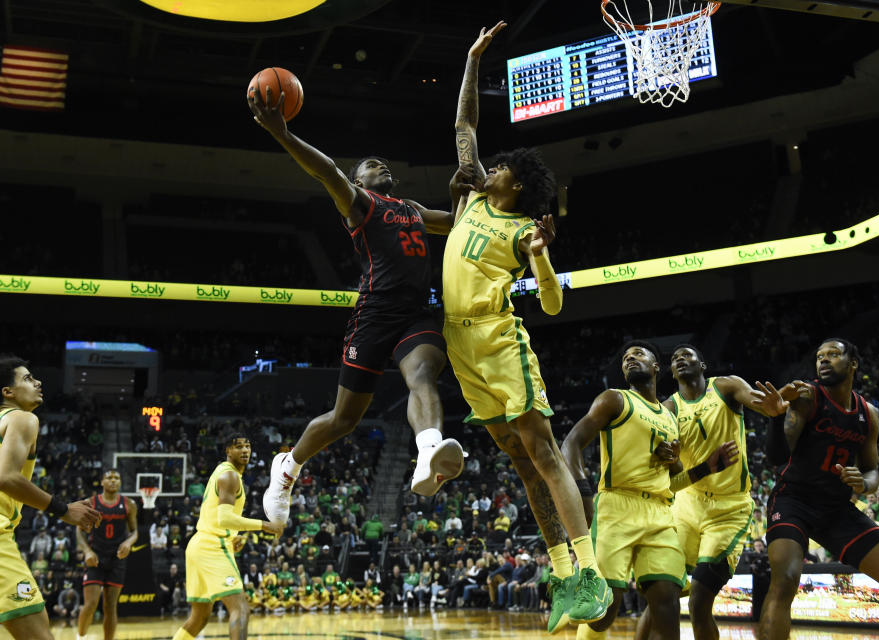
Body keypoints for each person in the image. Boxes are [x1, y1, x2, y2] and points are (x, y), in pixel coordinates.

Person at [425, 21, 611, 632]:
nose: (492, 167)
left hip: (498, 340)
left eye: (502, 168)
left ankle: (592, 574)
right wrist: (474, 58)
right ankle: (562, 575)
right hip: (458, 342)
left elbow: (554, 306)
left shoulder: (521, 232)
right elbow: (465, 127)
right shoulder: (474, 197)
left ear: (516, 186)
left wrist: (540, 256)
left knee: (542, 448)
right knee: (519, 463)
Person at [248, 85, 465, 523]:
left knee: (422, 374)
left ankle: (427, 453)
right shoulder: (359, 203)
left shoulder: (412, 208)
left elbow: (460, 224)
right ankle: (286, 469)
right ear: (358, 181)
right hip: (374, 315)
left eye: (381, 163)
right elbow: (326, 169)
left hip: (415, 313)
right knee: (344, 419)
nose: (378, 165)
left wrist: (463, 190)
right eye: (369, 165)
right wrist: (283, 135)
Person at [756, 339, 879, 640]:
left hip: (837, 510)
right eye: (819, 356)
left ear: (853, 363)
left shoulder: (869, 414)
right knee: (785, 580)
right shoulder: (808, 395)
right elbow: (776, 457)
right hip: (793, 500)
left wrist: (862, 483)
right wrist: (775, 418)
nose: (823, 360)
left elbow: (872, 471)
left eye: (833, 354)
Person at [561, 342, 736, 640]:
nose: (630, 359)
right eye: (626, 358)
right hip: (616, 506)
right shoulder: (614, 400)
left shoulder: (670, 418)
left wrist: (704, 466)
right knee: (603, 614)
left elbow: (671, 482)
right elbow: (571, 445)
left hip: (659, 514)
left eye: (639, 354)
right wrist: (585, 495)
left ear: (657, 367)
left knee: (667, 606)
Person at [636, 344, 794, 640]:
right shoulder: (668, 409)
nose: (680, 359)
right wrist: (668, 458)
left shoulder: (725, 386)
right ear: (671, 371)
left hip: (728, 510)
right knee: (659, 596)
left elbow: (759, 402)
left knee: (698, 601)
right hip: (686, 506)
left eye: (686, 355)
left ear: (702, 364)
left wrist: (773, 410)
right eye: (674, 359)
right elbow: (669, 476)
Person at [0, 355, 100, 640]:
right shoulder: (21, 417)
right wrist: (62, 509)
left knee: (31, 623)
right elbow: (6, 476)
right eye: (28, 379)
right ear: (8, 392)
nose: (38, 382)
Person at [172, 434, 284, 640]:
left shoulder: (222, 472)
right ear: (227, 451)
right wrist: (265, 525)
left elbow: (217, 516)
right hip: (213, 546)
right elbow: (224, 519)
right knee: (240, 608)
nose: (244, 450)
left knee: (199, 618)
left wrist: (234, 535)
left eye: (247, 446)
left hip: (200, 544)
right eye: (238, 446)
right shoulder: (230, 476)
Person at [76, 468, 138, 640]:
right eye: (109, 478)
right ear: (102, 482)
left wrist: (128, 542)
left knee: (110, 606)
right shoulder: (92, 503)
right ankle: (80, 637)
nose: (113, 480)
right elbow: (79, 531)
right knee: (90, 604)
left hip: (117, 559)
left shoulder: (129, 504)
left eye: (116, 478)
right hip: (95, 558)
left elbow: (135, 532)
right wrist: (87, 551)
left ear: (120, 482)